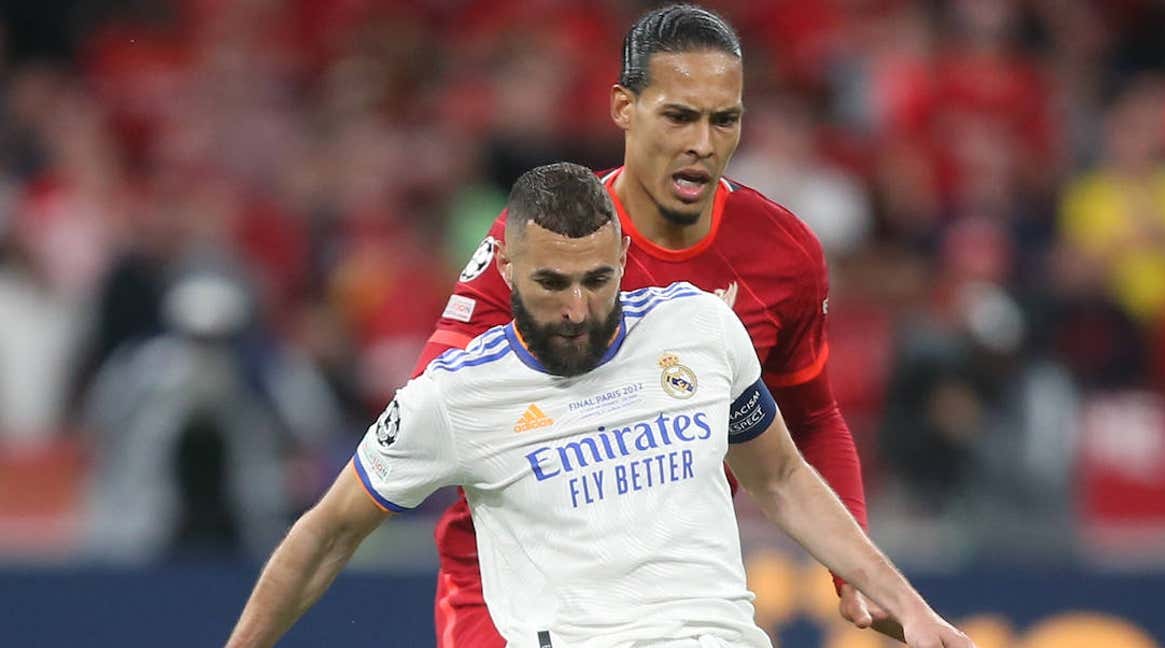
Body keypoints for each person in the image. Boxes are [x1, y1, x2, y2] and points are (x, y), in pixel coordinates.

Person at [226, 163, 974, 648]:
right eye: (553, 284)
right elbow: (326, 534)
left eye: (597, 280)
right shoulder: (454, 397)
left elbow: (780, 477)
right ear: (508, 269)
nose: (579, 309)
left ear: (620, 258)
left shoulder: (698, 327)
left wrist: (907, 603)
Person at [415, 5, 886, 645]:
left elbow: (812, 422)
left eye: (725, 120)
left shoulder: (782, 255)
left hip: (672, 594)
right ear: (623, 109)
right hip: (516, 591)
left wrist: (851, 568)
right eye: (679, 116)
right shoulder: (552, 241)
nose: (703, 143)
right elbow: (433, 396)